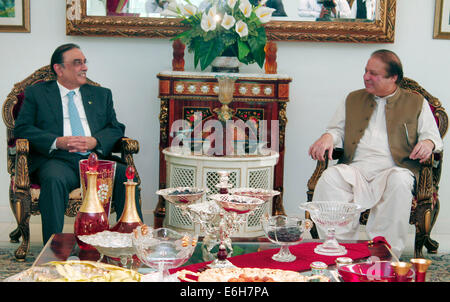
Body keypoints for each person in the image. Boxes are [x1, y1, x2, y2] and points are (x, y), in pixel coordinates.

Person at [308, 49, 443, 258]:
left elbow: (434, 138)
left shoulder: (416, 103)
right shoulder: (352, 99)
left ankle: (382, 255)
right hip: (356, 169)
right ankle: (338, 251)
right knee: (330, 178)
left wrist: (427, 143)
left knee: (399, 182)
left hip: (395, 170)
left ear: (393, 77)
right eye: (365, 71)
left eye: (374, 74)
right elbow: (336, 130)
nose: (366, 77)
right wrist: (328, 137)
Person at [14, 43, 143, 244]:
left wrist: (95, 141)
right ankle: (54, 246)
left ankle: (131, 243)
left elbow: (116, 127)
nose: (84, 67)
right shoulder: (37, 94)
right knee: (53, 179)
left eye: (84, 62)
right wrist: (57, 142)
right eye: (77, 63)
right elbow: (22, 128)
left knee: (125, 176)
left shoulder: (101, 95)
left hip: (95, 159)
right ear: (59, 69)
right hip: (58, 160)